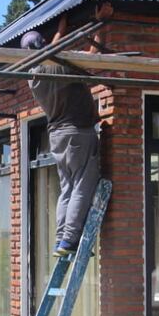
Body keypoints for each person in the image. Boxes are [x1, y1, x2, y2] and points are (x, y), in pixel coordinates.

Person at [24, 26, 101, 257]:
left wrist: (61, 28)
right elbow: (93, 57)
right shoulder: (59, 65)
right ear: (43, 44)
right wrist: (101, 26)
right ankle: (70, 239)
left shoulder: (33, 75)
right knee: (82, 185)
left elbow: (51, 49)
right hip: (77, 132)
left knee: (67, 189)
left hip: (57, 136)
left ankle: (61, 239)